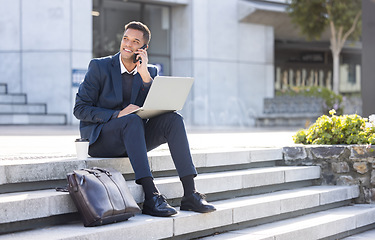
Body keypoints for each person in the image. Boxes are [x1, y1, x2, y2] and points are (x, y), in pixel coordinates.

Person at [73, 21, 215, 217]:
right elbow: (80, 109)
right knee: (131, 120)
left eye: (135, 41)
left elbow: (150, 108)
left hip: (133, 136)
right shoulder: (100, 67)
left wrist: (146, 78)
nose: (128, 44)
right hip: (102, 139)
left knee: (174, 120)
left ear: (143, 48)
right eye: (126, 39)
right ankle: (151, 196)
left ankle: (190, 194)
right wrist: (117, 114)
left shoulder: (149, 73)